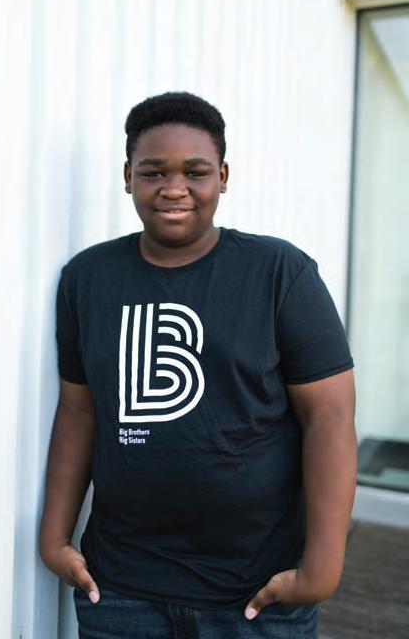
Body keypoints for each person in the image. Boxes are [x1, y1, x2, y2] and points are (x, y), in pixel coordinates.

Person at [39, 91, 357, 638]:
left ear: (223, 177)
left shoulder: (280, 273)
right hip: (121, 592)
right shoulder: (88, 279)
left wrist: (321, 572)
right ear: (128, 177)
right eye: (153, 172)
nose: (174, 188)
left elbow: (329, 417)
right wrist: (53, 539)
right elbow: (78, 411)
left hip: (255, 596)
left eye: (195, 171)